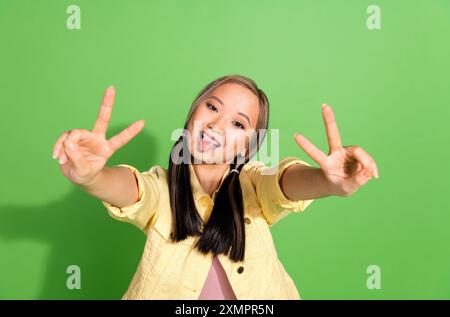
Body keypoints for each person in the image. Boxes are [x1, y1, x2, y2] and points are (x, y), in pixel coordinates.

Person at [52, 74, 378, 299]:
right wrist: (91, 176)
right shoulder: (162, 189)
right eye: (212, 107)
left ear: (248, 146)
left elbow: (283, 183)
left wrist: (327, 181)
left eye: (238, 123)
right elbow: (132, 190)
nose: (216, 126)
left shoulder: (253, 184)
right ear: (193, 111)